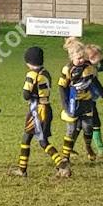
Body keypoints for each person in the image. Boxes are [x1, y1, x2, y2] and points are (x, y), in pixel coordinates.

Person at [10, 46, 71, 178]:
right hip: (45, 107)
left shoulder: (32, 75)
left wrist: (30, 93)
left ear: (28, 62)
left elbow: (25, 95)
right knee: (27, 137)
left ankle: (62, 164)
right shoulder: (45, 73)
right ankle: (22, 169)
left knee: (42, 141)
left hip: (38, 111)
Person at [59, 44, 97, 162]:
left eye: (83, 57)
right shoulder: (67, 69)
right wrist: (65, 105)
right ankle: (66, 157)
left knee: (87, 127)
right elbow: (62, 87)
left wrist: (101, 92)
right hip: (72, 103)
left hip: (86, 103)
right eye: (78, 58)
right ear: (71, 57)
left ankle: (88, 147)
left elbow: (94, 81)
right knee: (71, 130)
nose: (81, 60)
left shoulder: (89, 67)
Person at [85, 43, 103, 157]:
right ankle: (100, 149)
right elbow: (95, 84)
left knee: (85, 125)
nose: (99, 59)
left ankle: (100, 149)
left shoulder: (92, 66)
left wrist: (99, 58)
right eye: (98, 57)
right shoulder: (88, 69)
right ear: (91, 57)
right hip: (86, 101)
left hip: (90, 100)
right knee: (93, 124)